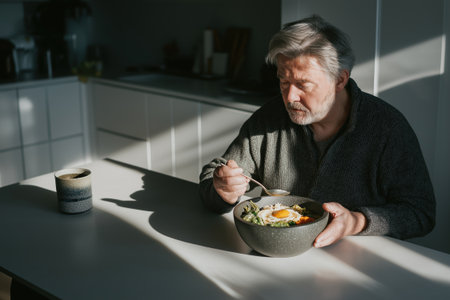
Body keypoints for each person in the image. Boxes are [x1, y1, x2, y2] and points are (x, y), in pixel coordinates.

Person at [199, 15, 435, 248]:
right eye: (283, 82)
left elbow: (420, 213)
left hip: (357, 266)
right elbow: (214, 176)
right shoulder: (269, 118)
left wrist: (357, 221)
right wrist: (223, 190)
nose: (290, 97)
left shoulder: (387, 128)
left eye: (303, 84)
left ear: (340, 80)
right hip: (276, 257)